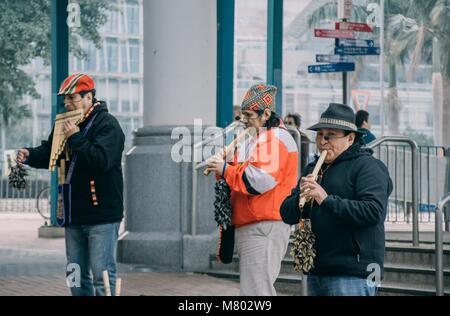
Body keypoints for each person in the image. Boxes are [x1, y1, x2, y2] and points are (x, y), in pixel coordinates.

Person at [16, 73, 125, 296]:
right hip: (73, 213)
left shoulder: (108, 125)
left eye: (72, 98)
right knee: (75, 275)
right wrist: (29, 155)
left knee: (101, 274)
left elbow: (100, 161)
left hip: (101, 215)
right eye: (65, 100)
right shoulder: (64, 124)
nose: (67, 104)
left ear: (89, 97)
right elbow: (49, 153)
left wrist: (75, 137)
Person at [280, 103, 392, 296]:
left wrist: (325, 199)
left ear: (350, 138)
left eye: (330, 135)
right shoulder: (314, 168)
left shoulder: (368, 167)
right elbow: (286, 214)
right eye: (320, 134)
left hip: (354, 271)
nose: (323, 141)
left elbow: (373, 212)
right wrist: (301, 197)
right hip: (317, 268)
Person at [206, 84, 298, 296]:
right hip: (256, 224)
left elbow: (257, 182)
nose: (244, 120)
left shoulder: (275, 138)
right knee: (254, 291)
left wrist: (225, 168)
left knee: (257, 292)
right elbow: (236, 175)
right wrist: (226, 164)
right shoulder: (256, 139)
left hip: (265, 225)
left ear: (266, 113)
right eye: (242, 116)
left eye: (248, 115)